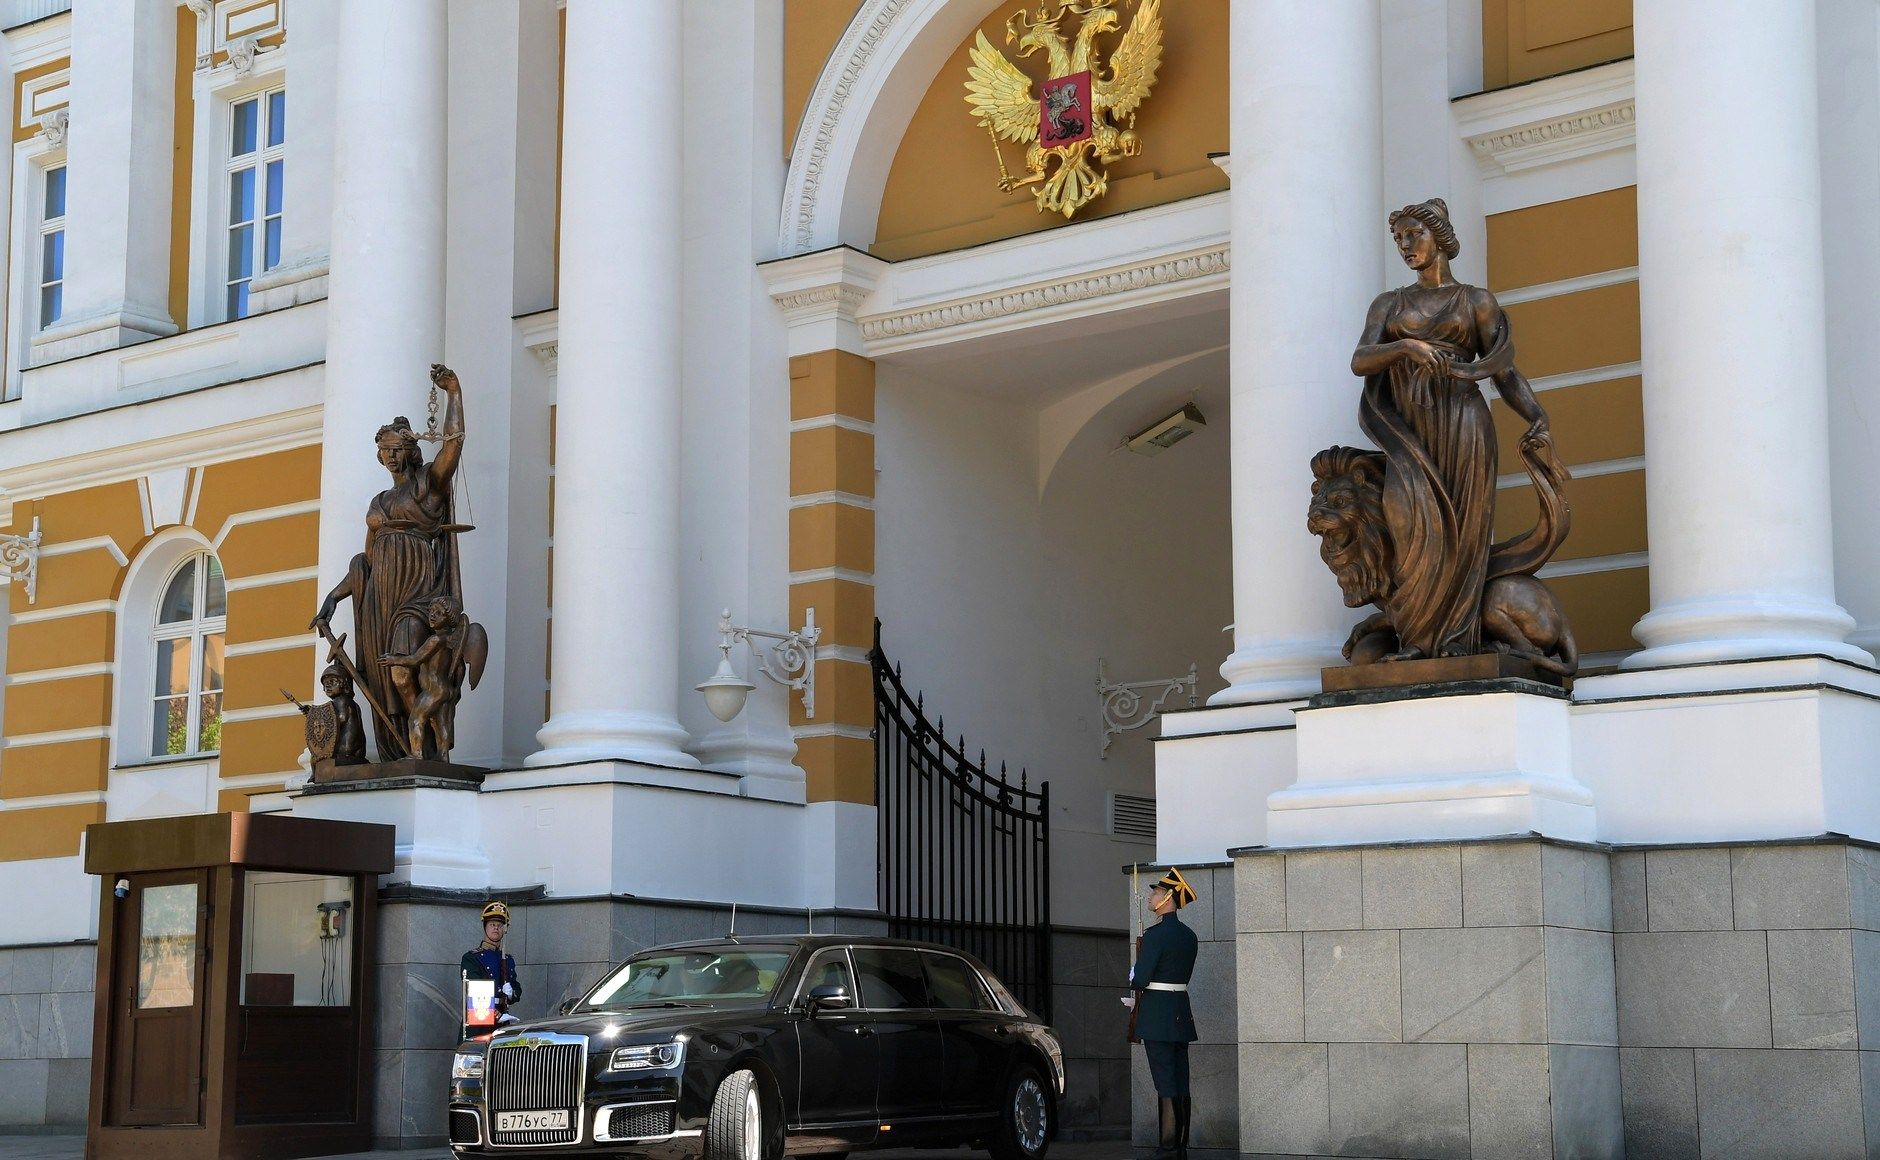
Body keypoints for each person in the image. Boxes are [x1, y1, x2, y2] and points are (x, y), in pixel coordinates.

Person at [1348, 198, 1569, 661]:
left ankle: (1454, 645)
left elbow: (1504, 371)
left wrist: (1536, 415)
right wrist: (1405, 348)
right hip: (1409, 431)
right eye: (1399, 239)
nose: (1406, 245)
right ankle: (1416, 640)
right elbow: (1360, 360)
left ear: (1440, 237)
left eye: (1414, 235)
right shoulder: (1390, 303)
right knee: (1410, 528)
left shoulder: (1475, 301)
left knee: (1464, 535)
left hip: (1464, 425)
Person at [312, 363, 467, 759]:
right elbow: (364, 560)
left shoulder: (428, 486)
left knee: (402, 672)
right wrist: (334, 596)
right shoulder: (378, 503)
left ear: (411, 451)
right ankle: (403, 749)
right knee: (383, 677)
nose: (390, 456)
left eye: (397, 449)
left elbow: (453, 444)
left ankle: (429, 743)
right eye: (384, 450)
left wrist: (453, 393)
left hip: (415, 595)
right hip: (379, 599)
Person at [1125, 867, 1198, 1160]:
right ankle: (1180, 1144)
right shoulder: (1189, 936)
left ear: (1168, 897)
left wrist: (1135, 971)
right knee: (1180, 1080)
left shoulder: (1155, 935)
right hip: (1180, 1013)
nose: (1150, 895)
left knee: (1165, 1081)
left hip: (1157, 1018)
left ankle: (1167, 1147)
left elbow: (1140, 979)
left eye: (1155, 891)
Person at [462, 900, 521, 1027]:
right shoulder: (471, 958)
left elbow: (517, 988)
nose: (496, 928)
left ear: (504, 930)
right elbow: (475, 990)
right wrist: (497, 1016)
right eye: (492, 924)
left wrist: (511, 994)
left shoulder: (507, 959)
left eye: (500, 925)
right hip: (479, 1018)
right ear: (485, 927)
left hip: (504, 1018)